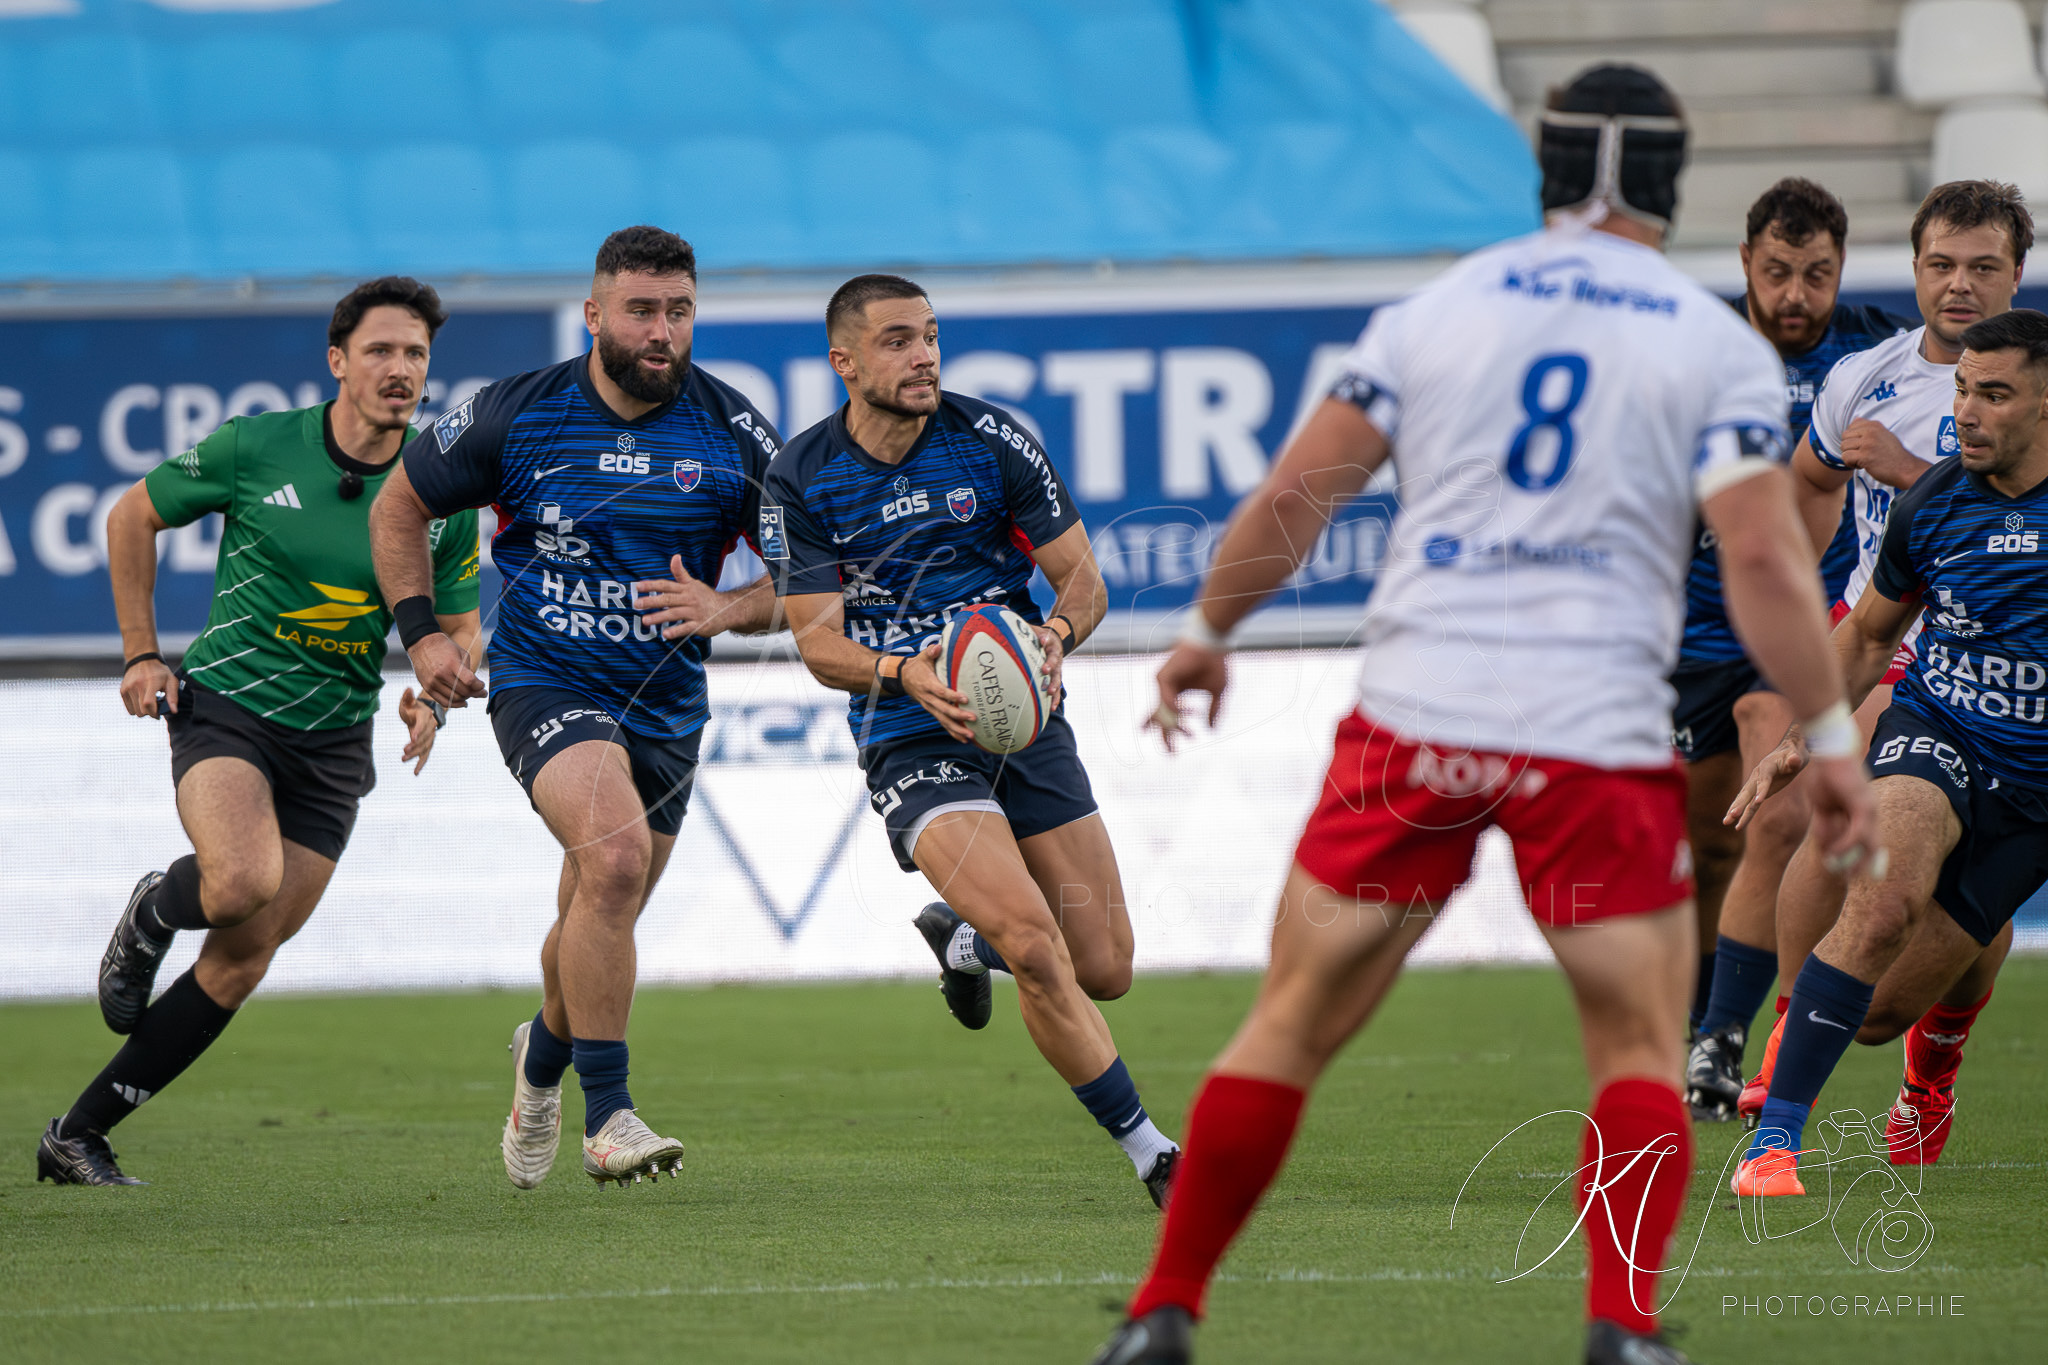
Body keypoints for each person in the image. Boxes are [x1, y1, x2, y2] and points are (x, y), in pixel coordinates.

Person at [1089, 66, 1880, 1365]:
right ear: (1673, 188)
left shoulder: (1438, 310)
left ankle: (1162, 1310)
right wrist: (1831, 738)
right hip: (1591, 736)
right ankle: (1621, 1331)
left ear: (1545, 172)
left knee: (1291, 1020)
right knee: (1634, 1041)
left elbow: (1296, 495)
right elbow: (1758, 554)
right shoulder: (1712, 350)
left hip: (1419, 719)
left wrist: (1207, 634)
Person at [38, 278, 481, 1186]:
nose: (400, 369)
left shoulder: (443, 487)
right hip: (230, 708)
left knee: (242, 960)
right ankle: (157, 908)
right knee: (241, 880)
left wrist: (432, 697)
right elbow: (131, 516)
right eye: (381, 351)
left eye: (416, 354)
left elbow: (460, 627)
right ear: (338, 361)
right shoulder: (258, 444)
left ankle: (77, 1135)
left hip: (335, 742)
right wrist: (140, 654)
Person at [370, 226, 781, 1189]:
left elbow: (812, 583)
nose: (661, 331)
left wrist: (725, 607)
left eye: (678, 311)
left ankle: (539, 1060)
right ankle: (611, 1118)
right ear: (594, 314)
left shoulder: (734, 432)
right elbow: (399, 506)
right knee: (617, 860)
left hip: (667, 705)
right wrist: (424, 636)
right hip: (546, 679)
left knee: (596, 913)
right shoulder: (519, 413)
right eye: (640, 310)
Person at [761, 274, 1180, 1208]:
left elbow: (1085, 583)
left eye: (931, 336)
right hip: (910, 732)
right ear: (844, 361)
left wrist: (1053, 637)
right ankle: (1155, 1154)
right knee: (1034, 943)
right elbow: (820, 645)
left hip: (1023, 718)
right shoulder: (800, 475)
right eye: (899, 340)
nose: (924, 356)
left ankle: (961, 940)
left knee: (1104, 965)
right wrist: (905, 671)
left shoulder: (989, 437)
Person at [1725, 179, 2028, 1131]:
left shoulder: (2032, 383)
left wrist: (1909, 473)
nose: (1960, 284)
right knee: (1832, 800)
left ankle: (1930, 1061)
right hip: (1899, 645)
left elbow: (1989, 503)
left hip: (2011, 674)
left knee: (1954, 920)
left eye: (1983, 266)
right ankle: (1785, 1039)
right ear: (1916, 269)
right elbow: (1810, 484)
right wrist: (1809, 591)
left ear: (2018, 274)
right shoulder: (1866, 375)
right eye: (1941, 264)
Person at [1676, 179, 1910, 1119]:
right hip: (1697, 630)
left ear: (1842, 267)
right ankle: (1700, 1015)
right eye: (1777, 272)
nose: (1796, 295)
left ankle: (1723, 1043)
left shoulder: (1877, 352)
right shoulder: (1693, 352)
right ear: (1746, 263)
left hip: (1812, 626)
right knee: (1707, 840)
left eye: (1817, 274)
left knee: (1776, 817)